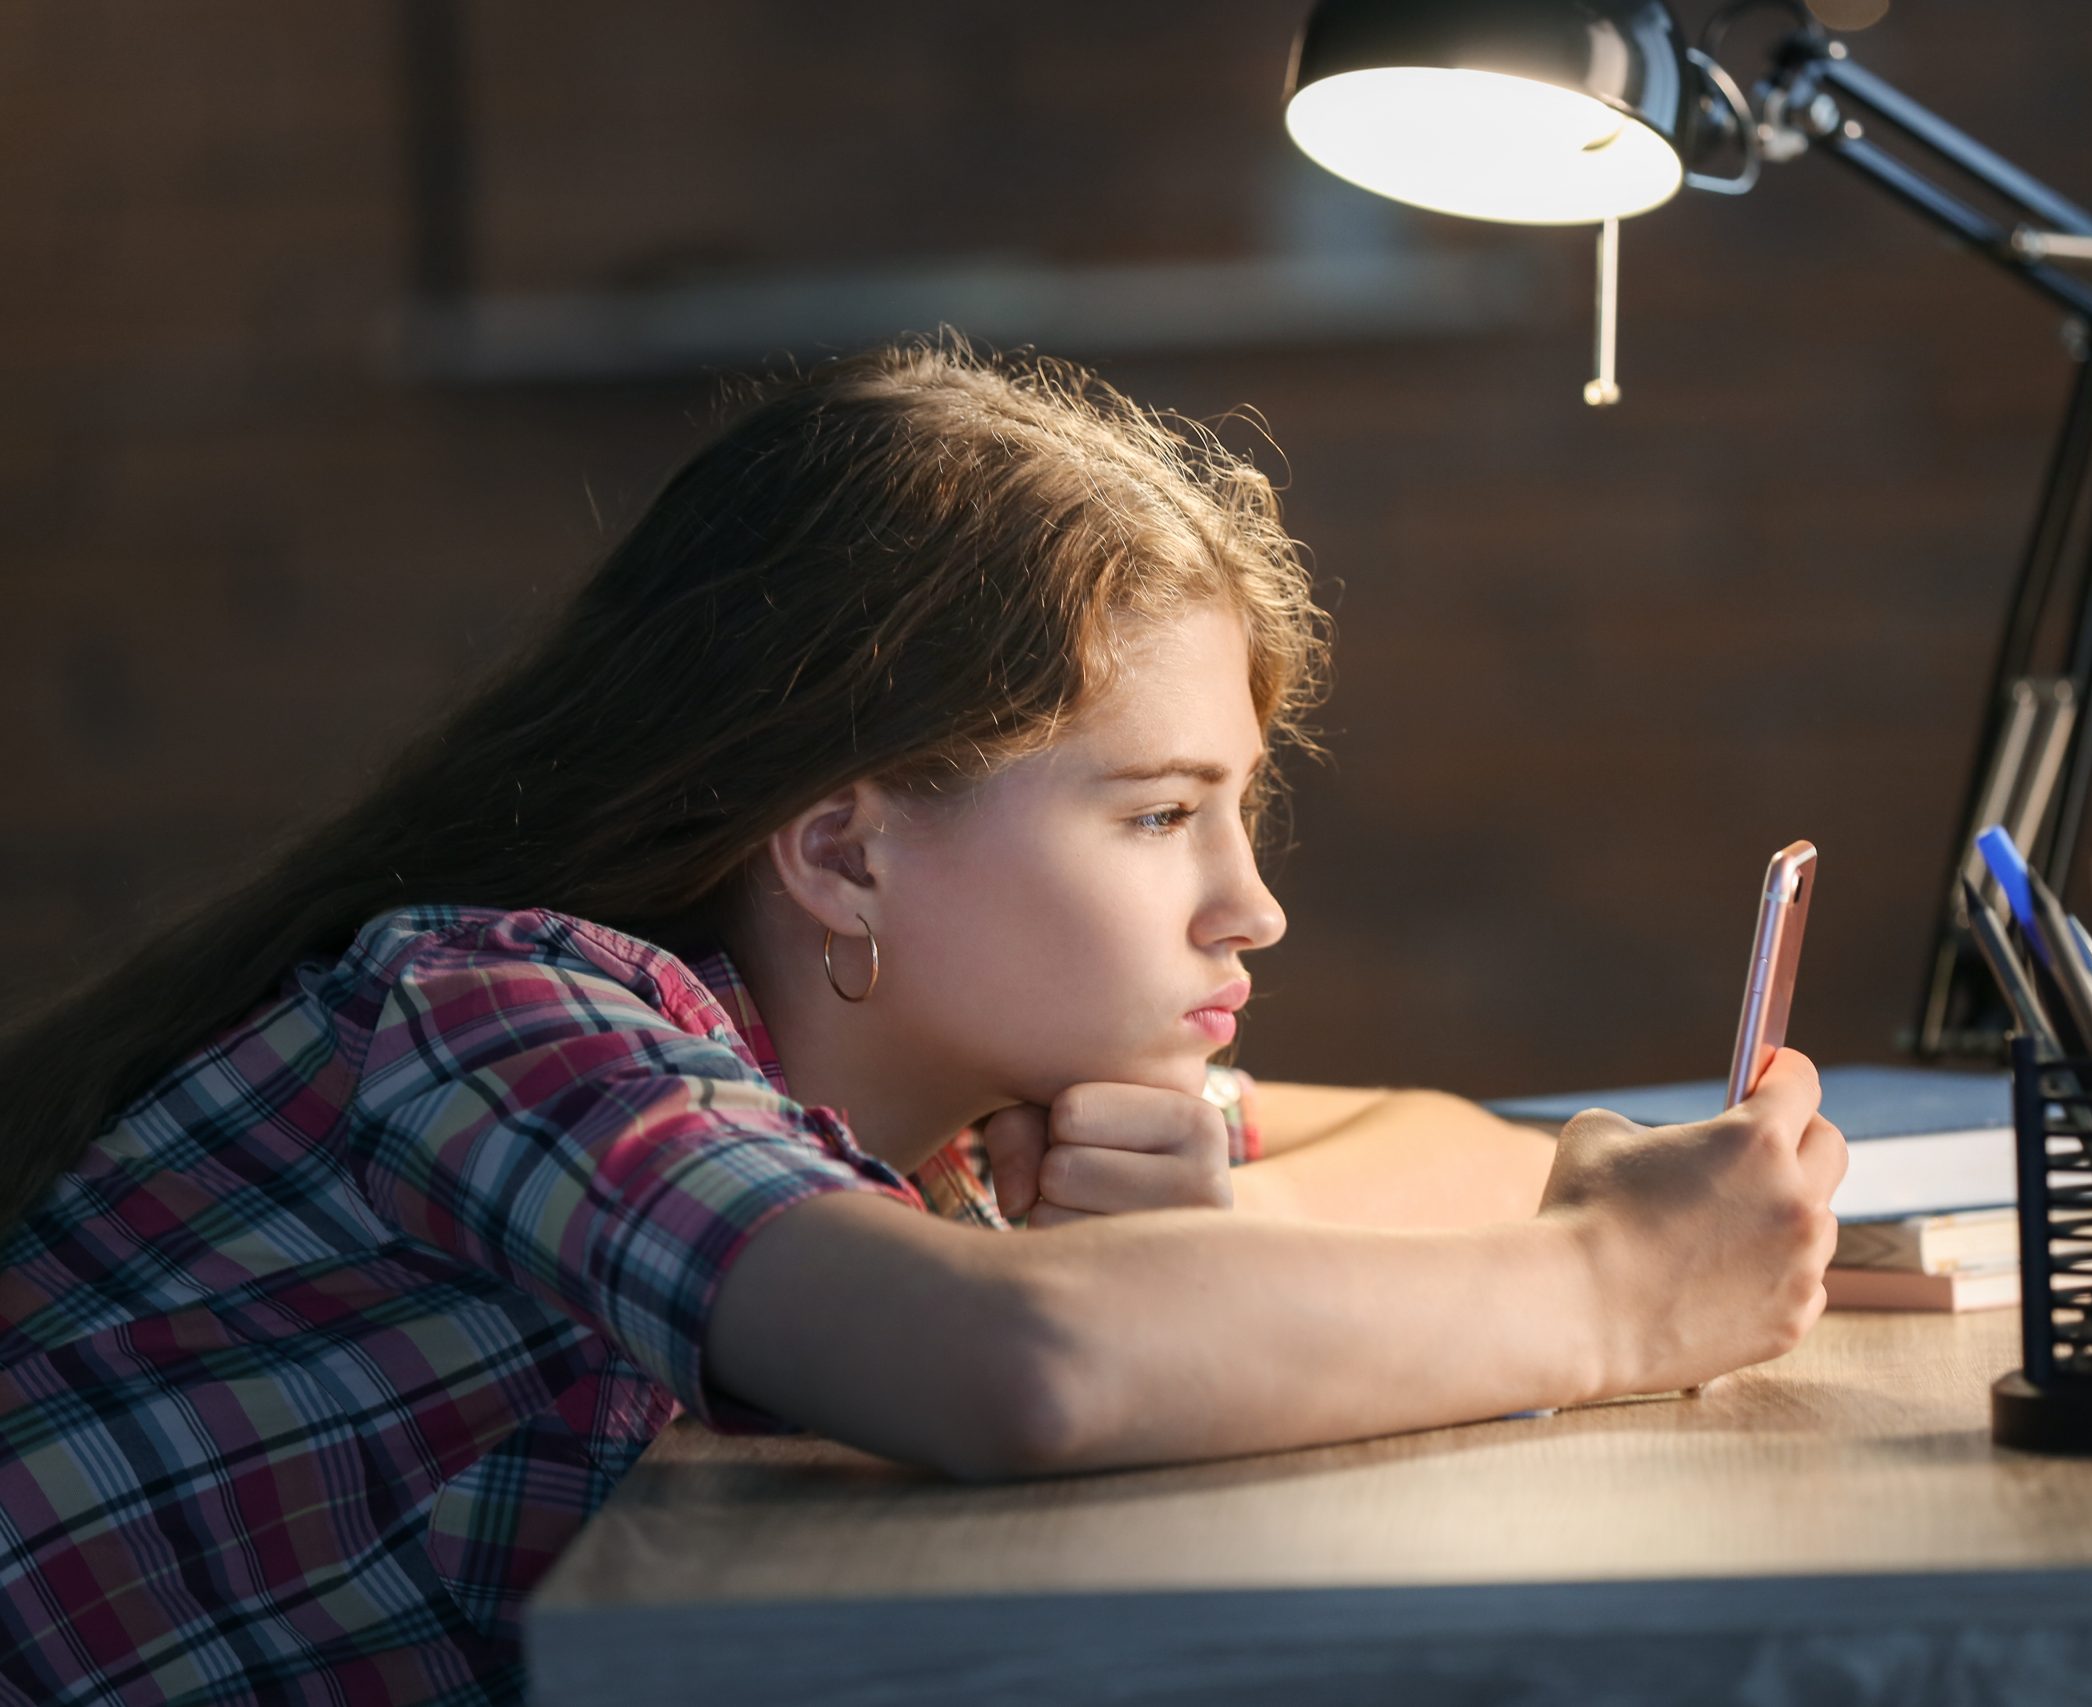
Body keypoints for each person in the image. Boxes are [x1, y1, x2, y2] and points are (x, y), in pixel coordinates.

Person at [0, 334, 1845, 1704]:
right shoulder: (499, 1017)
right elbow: (1018, 1374)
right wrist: (1616, 1291)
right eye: (1156, 815)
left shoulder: (936, 1114)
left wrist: (1213, 1242)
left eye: (1242, 807)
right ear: (843, 856)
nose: (1252, 901)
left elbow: (1437, 1137)